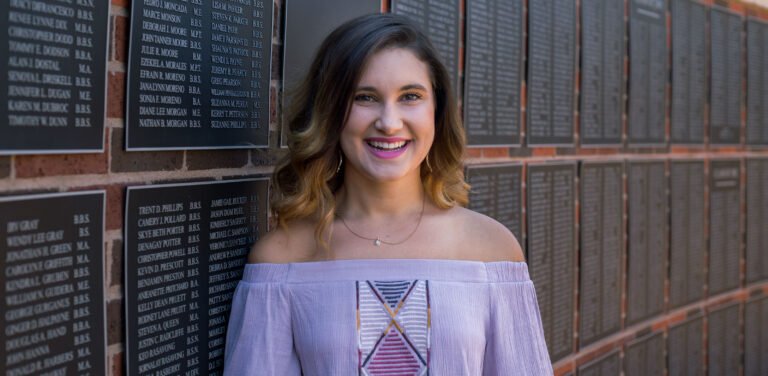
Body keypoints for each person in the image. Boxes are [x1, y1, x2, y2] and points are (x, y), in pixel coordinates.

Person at [223, 13, 553, 375]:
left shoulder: (490, 251)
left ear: (436, 112)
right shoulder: (282, 261)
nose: (389, 121)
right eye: (365, 97)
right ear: (331, 112)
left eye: (410, 96)